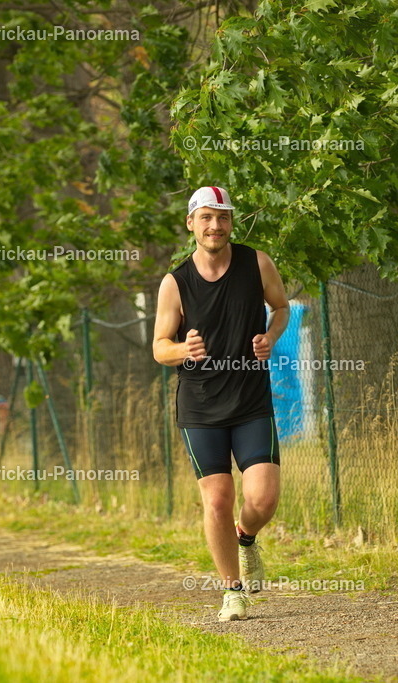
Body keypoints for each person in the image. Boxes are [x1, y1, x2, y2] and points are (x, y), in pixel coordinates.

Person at [152, 186, 290, 622]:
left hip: (251, 399)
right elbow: (159, 347)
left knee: (263, 498)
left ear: (232, 222)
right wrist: (182, 350)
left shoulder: (257, 262)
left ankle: (245, 537)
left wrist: (271, 336)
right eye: (206, 218)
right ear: (191, 223)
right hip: (202, 406)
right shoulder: (176, 282)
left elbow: (281, 307)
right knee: (217, 498)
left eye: (223, 218)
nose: (216, 226)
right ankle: (233, 591)